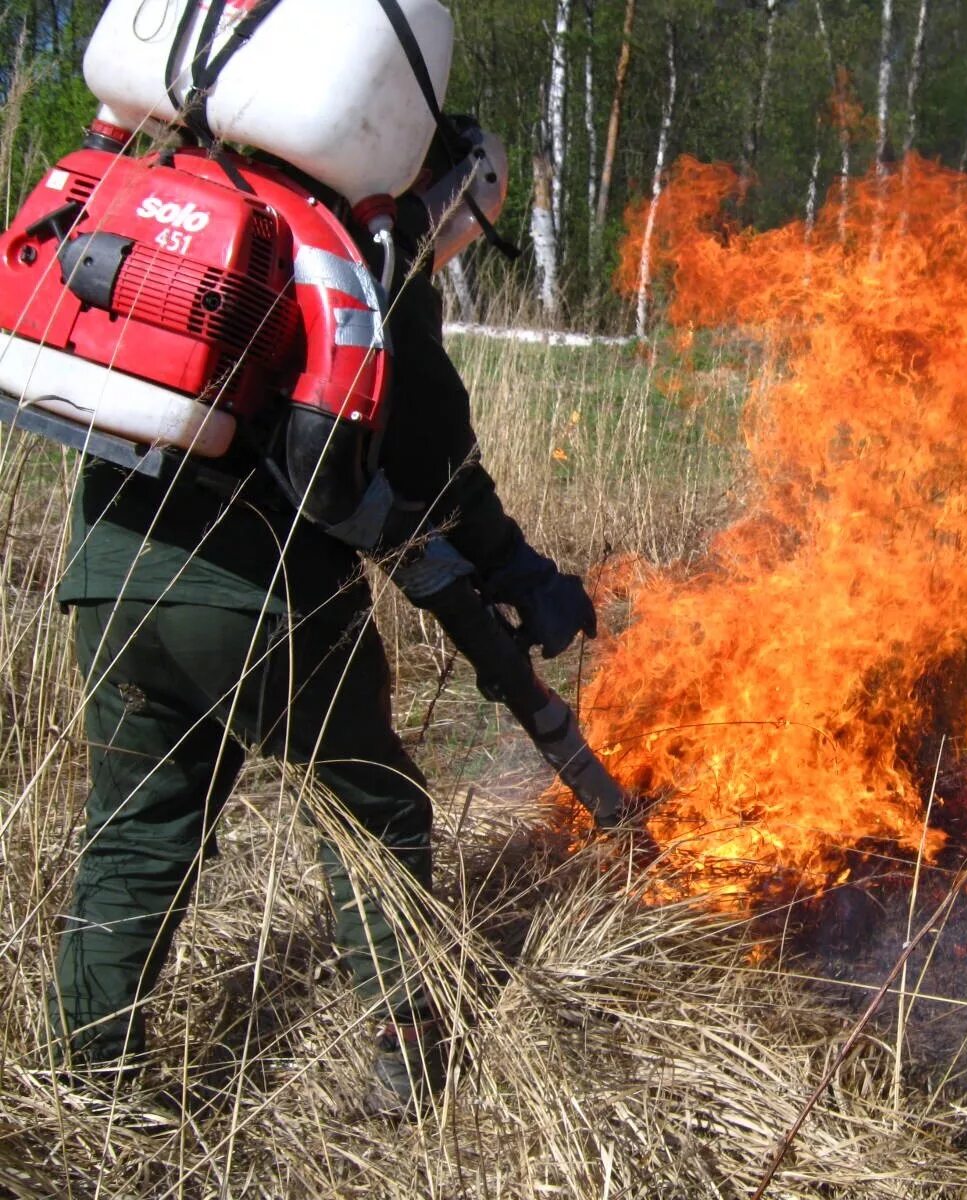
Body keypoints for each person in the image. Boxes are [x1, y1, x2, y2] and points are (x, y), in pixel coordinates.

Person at [47, 153, 592, 1117]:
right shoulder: (363, 255)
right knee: (375, 811)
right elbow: (436, 461)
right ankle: (406, 1066)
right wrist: (520, 572)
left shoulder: (221, 208)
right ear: (447, 186)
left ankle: (83, 1079)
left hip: (109, 576)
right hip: (258, 601)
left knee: (138, 829)